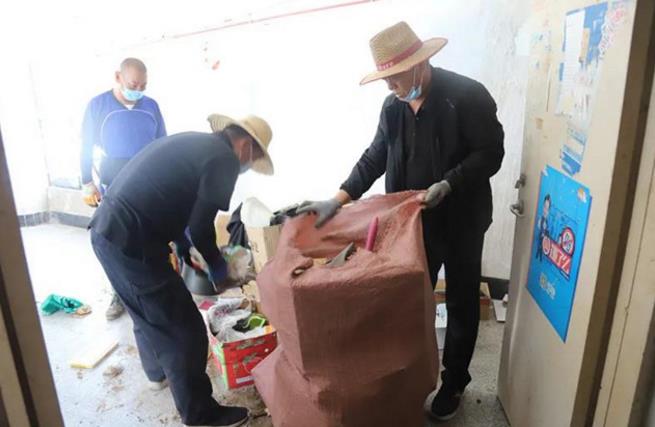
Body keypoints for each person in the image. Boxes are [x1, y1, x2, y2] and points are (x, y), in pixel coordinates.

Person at [298, 22, 504, 421]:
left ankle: (454, 382)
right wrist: (338, 199)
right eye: (385, 79)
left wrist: (449, 182)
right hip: (412, 226)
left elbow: (490, 153)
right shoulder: (393, 107)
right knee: (408, 301)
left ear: (419, 64)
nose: (390, 86)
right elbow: (375, 155)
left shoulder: (466, 96)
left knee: (461, 302)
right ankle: (410, 378)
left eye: (395, 76)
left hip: (462, 220)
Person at [89, 114, 274, 427]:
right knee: (183, 329)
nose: (247, 166)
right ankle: (201, 415)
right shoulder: (225, 160)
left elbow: (171, 199)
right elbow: (201, 226)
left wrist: (183, 245)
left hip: (107, 232)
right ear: (245, 146)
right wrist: (220, 272)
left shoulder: (195, 144)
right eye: (252, 159)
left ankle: (158, 374)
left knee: (147, 311)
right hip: (133, 242)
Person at [80, 57, 167, 320]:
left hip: (147, 182)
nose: (138, 90)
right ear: (118, 77)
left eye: (143, 86)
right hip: (114, 185)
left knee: (150, 238)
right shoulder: (98, 106)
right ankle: (119, 295)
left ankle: (156, 289)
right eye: (133, 84)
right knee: (117, 242)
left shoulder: (151, 106)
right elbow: (85, 146)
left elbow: (162, 143)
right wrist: (86, 181)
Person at [536, 194, 551, 261]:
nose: (545, 210)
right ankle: (538, 254)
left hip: (544, 239)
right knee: (539, 245)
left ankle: (540, 256)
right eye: (545, 207)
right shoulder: (541, 219)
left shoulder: (546, 221)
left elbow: (547, 229)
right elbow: (539, 226)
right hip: (540, 236)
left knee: (541, 247)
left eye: (547, 209)